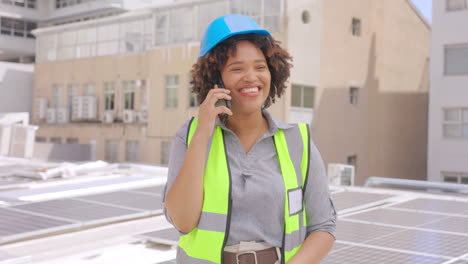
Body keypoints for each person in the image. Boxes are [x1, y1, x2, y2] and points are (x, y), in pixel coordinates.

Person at [163, 14, 336, 264]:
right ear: (215, 78)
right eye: (237, 68)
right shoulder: (190, 136)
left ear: (272, 72)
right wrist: (202, 134)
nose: (251, 77)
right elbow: (182, 221)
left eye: (260, 67)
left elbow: (323, 226)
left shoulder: (298, 141)